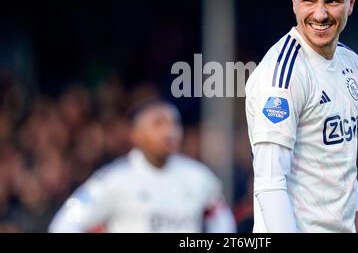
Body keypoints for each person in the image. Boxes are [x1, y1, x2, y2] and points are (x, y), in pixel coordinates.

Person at [245, 0, 358, 233]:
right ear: (293, 1)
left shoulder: (350, 61)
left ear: (351, 2)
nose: (320, 13)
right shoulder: (282, 76)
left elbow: (340, 158)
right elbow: (269, 182)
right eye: (309, 1)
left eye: (332, 1)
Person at [49, 99, 236, 232]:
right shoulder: (113, 180)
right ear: (136, 134)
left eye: (174, 124)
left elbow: (221, 220)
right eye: (158, 124)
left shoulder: (198, 176)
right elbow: (65, 224)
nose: (169, 131)